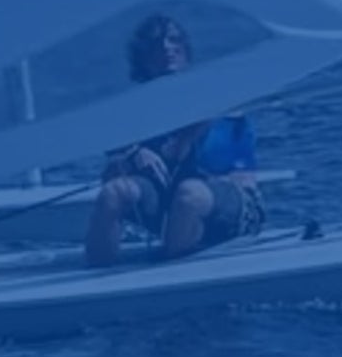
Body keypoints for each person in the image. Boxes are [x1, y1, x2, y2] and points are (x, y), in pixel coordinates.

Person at [84, 13, 263, 267]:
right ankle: (96, 279)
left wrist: (185, 140)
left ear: (185, 48)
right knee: (113, 192)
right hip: (171, 209)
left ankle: (171, 273)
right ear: (143, 57)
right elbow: (112, 160)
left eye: (173, 40)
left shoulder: (213, 89)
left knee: (188, 194)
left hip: (233, 208)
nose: (167, 47)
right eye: (157, 44)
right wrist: (133, 154)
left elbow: (222, 105)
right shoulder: (135, 109)